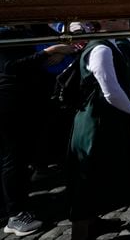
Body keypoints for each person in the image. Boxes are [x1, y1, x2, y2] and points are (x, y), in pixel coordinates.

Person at [68, 19, 130, 240]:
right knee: (88, 175)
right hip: (96, 120)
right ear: (103, 22)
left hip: (107, 117)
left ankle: (94, 221)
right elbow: (110, 90)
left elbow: (122, 82)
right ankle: (81, 231)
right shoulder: (101, 48)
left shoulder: (110, 44)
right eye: (118, 18)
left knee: (101, 173)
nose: (125, 21)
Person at [0, 26, 75, 237]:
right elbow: (10, 66)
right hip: (10, 99)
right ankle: (15, 215)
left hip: (29, 99)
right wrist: (48, 52)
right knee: (13, 158)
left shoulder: (29, 27)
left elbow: (64, 44)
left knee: (23, 158)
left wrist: (58, 51)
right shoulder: (6, 31)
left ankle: (22, 204)